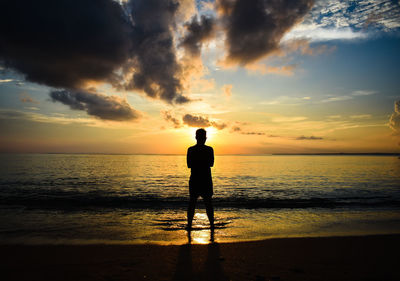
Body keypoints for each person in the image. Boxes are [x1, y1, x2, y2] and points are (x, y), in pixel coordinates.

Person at [186, 128, 214, 230]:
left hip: (195, 179)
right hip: (205, 179)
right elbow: (210, 163)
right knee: (208, 204)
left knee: (193, 203)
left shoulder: (191, 150)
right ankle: (212, 225)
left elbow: (189, 165)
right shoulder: (209, 150)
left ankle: (189, 225)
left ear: (196, 137)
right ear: (205, 138)